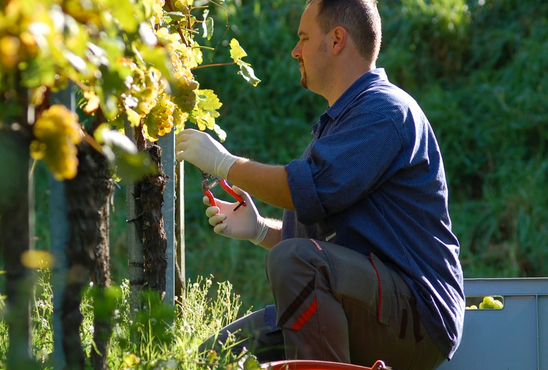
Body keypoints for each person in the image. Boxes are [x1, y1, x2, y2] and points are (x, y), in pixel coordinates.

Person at [175, 0, 464, 369]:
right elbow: (331, 245)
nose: (295, 50)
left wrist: (225, 164)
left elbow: (304, 196)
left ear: (337, 40)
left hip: (416, 319)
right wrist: (262, 230)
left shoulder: (384, 112)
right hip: (371, 304)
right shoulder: (342, 121)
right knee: (213, 358)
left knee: (296, 262)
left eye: (304, 37)